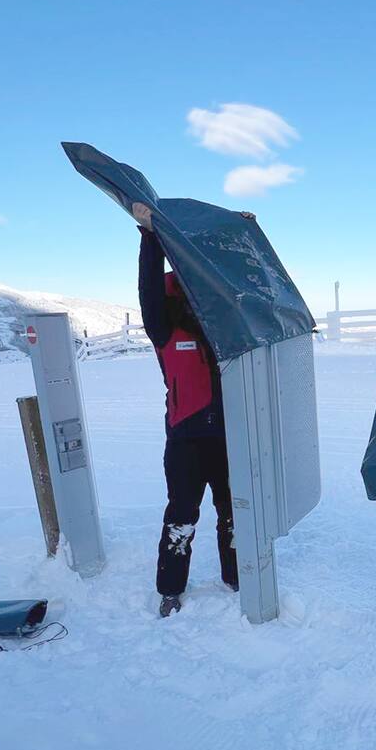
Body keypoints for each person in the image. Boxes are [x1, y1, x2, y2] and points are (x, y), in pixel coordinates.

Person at [133, 203, 238, 617]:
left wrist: (238, 237)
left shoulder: (223, 325)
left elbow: (237, 283)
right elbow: (149, 288)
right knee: (181, 517)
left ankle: (237, 577)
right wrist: (149, 237)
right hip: (186, 439)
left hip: (231, 436)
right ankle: (171, 588)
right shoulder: (164, 326)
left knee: (234, 514)